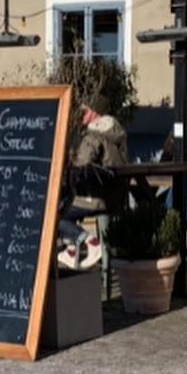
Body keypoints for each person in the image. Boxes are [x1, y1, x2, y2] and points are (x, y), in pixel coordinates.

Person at [57, 94, 129, 270]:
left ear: (94, 113)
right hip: (116, 197)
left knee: (54, 215)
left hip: (95, 198)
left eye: (85, 110)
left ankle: (88, 242)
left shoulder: (94, 135)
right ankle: (71, 250)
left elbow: (81, 164)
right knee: (64, 206)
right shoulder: (117, 133)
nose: (82, 114)